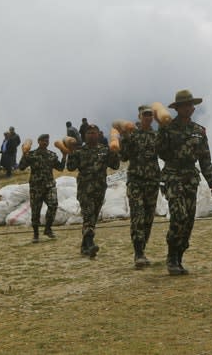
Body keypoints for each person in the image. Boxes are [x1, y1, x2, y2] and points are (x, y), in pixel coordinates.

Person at [156, 89, 212, 275]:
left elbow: (205, 160)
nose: (189, 108)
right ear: (178, 108)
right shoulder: (168, 127)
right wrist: (161, 129)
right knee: (179, 216)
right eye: (185, 105)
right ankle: (171, 257)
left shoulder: (199, 131)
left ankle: (179, 256)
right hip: (173, 176)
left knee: (188, 221)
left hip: (190, 178)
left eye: (191, 105)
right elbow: (160, 151)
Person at [67, 124, 120, 257]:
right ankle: (90, 244)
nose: (92, 135)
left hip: (100, 188)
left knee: (93, 217)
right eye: (89, 133)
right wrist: (71, 152)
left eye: (94, 132)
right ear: (85, 135)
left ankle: (84, 246)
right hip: (85, 189)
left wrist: (115, 152)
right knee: (89, 215)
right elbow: (71, 167)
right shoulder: (79, 151)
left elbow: (115, 165)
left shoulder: (104, 149)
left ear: (99, 134)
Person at [119, 105, 160, 269]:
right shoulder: (132, 135)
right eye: (145, 115)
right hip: (136, 181)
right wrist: (125, 138)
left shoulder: (156, 136)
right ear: (139, 116)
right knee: (138, 215)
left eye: (150, 115)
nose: (148, 117)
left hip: (152, 181)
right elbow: (123, 156)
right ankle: (138, 253)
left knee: (149, 218)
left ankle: (142, 249)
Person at [18, 134, 67, 243]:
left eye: (47, 141)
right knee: (36, 210)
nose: (45, 142)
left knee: (53, 205)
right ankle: (36, 234)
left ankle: (48, 229)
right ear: (38, 141)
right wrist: (24, 154)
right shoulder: (32, 155)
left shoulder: (52, 155)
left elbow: (60, 168)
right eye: (43, 140)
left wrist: (64, 156)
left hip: (49, 186)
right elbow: (21, 167)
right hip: (36, 187)